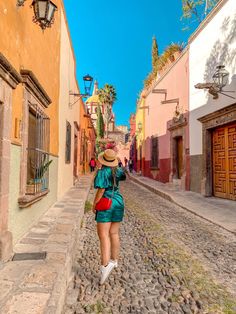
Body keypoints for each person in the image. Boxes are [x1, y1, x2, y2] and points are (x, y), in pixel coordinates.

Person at [93, 149, 126, 285]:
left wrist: (95, 204)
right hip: (118, 202)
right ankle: (114, 260)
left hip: (106, 204)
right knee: (114, 233)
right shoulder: (118, 171)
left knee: (104, 236)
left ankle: (105, 266)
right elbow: (123, 175)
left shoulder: (102, 172)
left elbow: (101, 190)